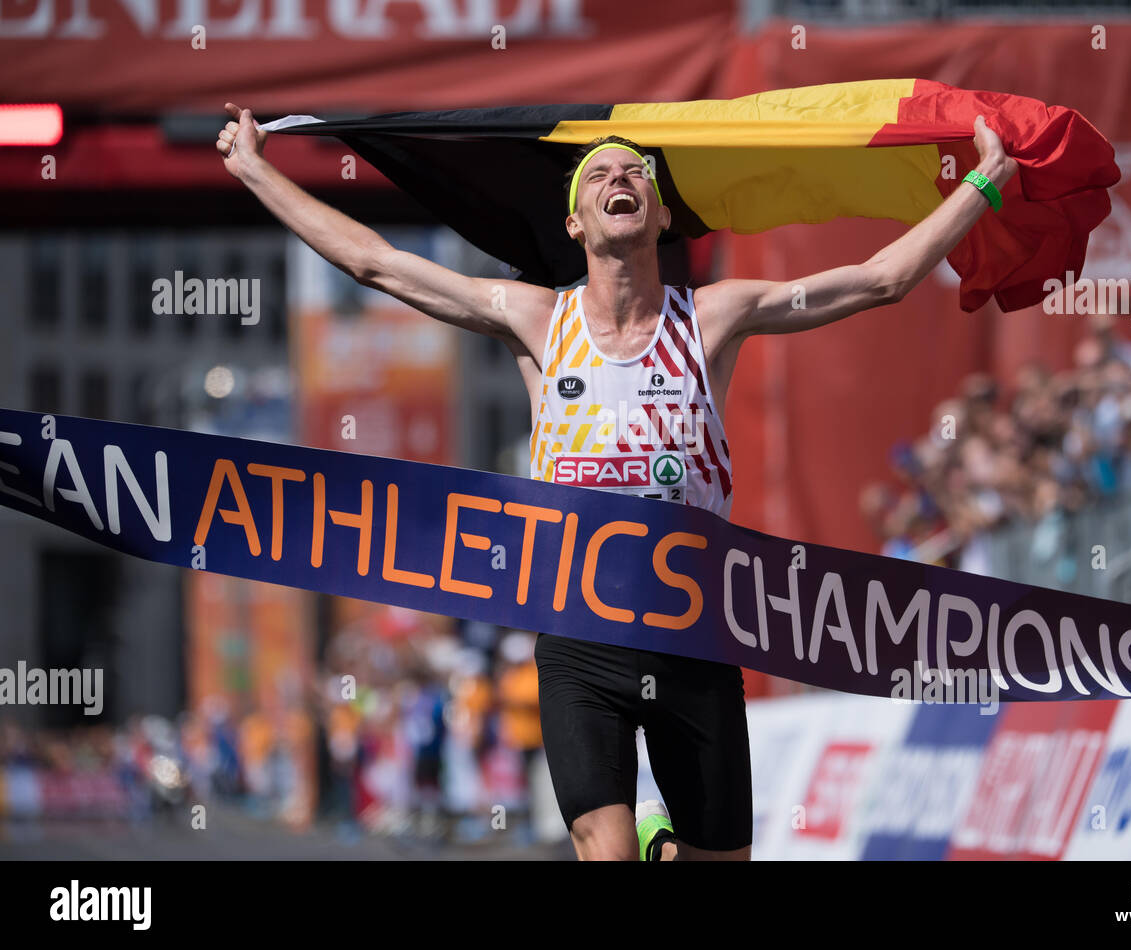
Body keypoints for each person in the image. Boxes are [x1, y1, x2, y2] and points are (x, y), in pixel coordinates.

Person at [216, 102, 1016, 860]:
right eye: (598, 176)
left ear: (662, 215)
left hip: (693, 631)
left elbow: (881, 280)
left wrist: (984, 181)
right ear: (575, 223)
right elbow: (375, 262)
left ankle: (664, 840)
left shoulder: (714, 317)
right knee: (602, 849)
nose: (619, 180)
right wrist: (254, 169)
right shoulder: (535, 319)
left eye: (636, 172)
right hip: (580, 632)